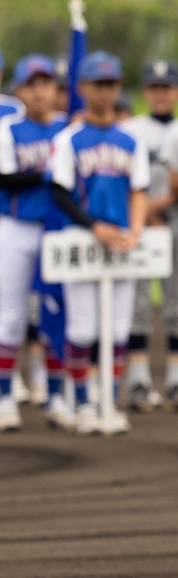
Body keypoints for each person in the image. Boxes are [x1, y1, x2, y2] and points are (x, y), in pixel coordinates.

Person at [49, 52, 150, 434]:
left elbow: (138, 189)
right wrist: (94, 227)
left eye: (111, 84)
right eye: (98, 84)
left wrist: (136, 227)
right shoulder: (68, 139)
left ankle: (107, 401)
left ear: (119, 87)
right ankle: (84, 404)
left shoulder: (131, 139)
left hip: (121, 237)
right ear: (83, 88)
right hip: (83, 235)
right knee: (82, 328)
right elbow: (61, 194)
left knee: (119, 328)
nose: (105, 91)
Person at [0, 55, 69, 431]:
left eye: (46, 84)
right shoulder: (8, 128)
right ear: (20, 90)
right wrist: (49, 172)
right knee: (9, 314)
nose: (40, 91)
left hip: (56, 230)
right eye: (32, 84)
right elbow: (6, 179)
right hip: (16, 227)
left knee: (56, 313)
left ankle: (56, 396)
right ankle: (5, 397)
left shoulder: (68, 128)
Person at [123, 61, 178, 412]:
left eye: (167, 86)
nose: (161, 93)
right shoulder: (131, 129)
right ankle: (138, 380)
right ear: (146, 92)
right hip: (142, 224)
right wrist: (146, 212)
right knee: (140, 302)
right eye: (154, 86)